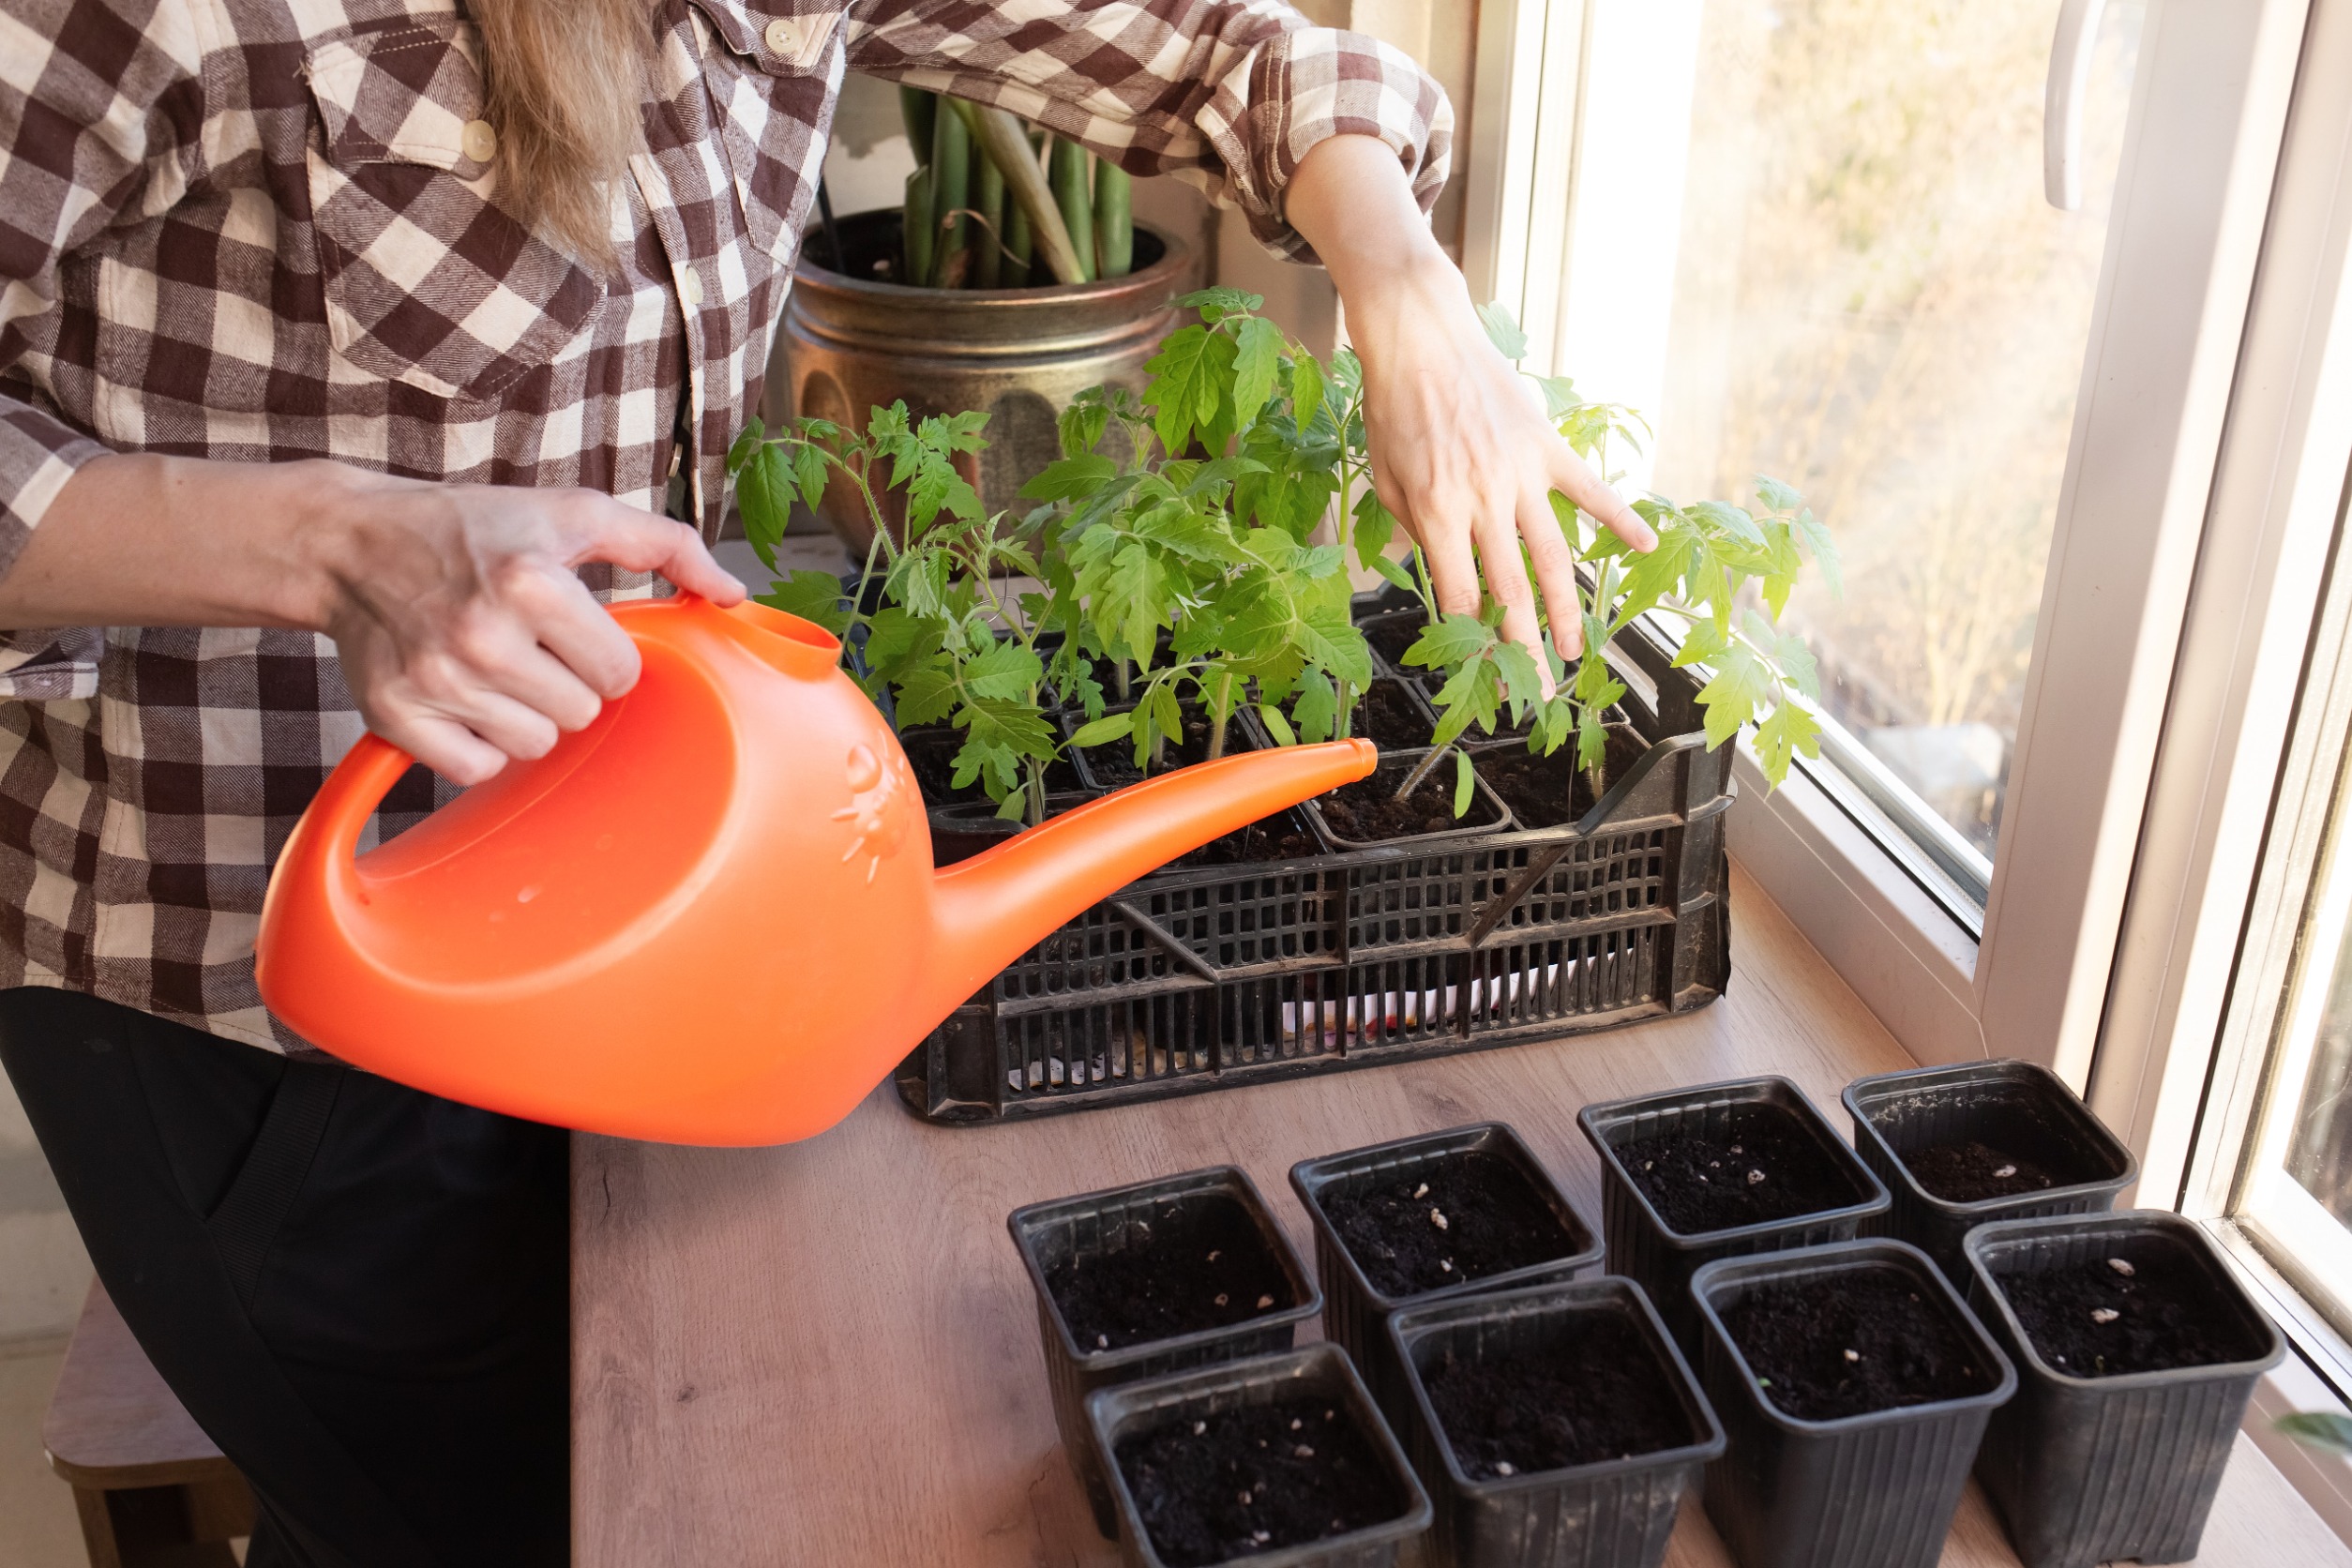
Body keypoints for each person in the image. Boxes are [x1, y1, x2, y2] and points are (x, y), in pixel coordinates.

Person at [0, 1, 1655, 1562]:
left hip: (629, 920)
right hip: (259, 1007)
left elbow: (1226, 52)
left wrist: (1407, 288)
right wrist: (338, 543)